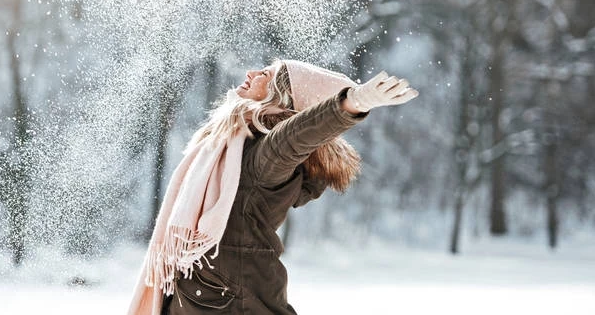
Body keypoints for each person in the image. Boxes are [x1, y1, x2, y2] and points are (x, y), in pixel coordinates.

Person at [128, 59, 418, 314]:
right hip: (210, 295)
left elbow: (295, 136)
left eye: (266, 74)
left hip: (231, 301)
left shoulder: (265, 156)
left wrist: (351, 104)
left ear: (280, 97)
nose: (252, 73)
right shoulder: (231, 147)